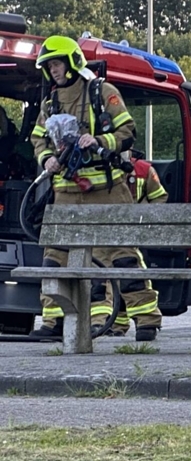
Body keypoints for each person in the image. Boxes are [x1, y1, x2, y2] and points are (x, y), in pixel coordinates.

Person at [28, 35, 162, 342]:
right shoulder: (50, 104)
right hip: (65, 194)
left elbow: (128, 131)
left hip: (107, 190)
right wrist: (48, 158)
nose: (54, 70)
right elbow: (38, 138)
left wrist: (99, 142)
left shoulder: (103, 92)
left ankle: (146, 319)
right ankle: (53, 321)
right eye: (49, 66)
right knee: (54, 259)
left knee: (122, 256)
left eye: (58, 63)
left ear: (73, 62)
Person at [103, 154, 168, 337]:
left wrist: (144, 221)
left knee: (128, 270)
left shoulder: (143, 170)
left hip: (131, 234)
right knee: (104, 280)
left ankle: (145, 323)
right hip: (102, 234)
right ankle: (112, 325)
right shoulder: (96, 170)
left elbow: (159, 198)